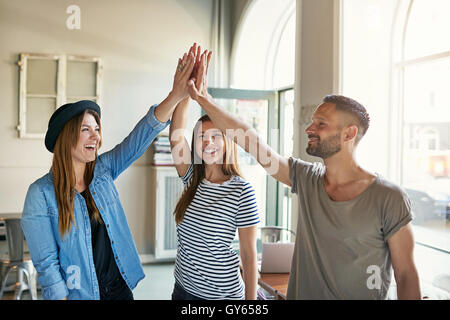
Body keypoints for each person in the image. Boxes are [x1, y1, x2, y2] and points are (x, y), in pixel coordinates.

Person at [187, 51, 422, 300]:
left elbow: (405, 274)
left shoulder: (389, 197)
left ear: (349, 133)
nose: (309, 128)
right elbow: (254, 143)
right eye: (312, 121)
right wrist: (204, 100)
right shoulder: (306, 178)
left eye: (321, 123)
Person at [20, 52, 197, 300]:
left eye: (97, 129)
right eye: (85, 130)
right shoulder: (40, 194)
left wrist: (177, 95)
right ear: (66, 137)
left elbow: (140, 137)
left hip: (120, 290)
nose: (96, 137)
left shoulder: (102, 171)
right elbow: (48, 265)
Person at [169, 44, 259, 300]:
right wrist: (188, 89)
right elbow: (176, 136)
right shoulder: (191, 179)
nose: (208, 143)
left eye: (215, 136)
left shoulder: (242, 190)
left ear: (227, 141)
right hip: (182, 290)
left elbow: (250, 256)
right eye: (201, 137)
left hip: (222, 297)